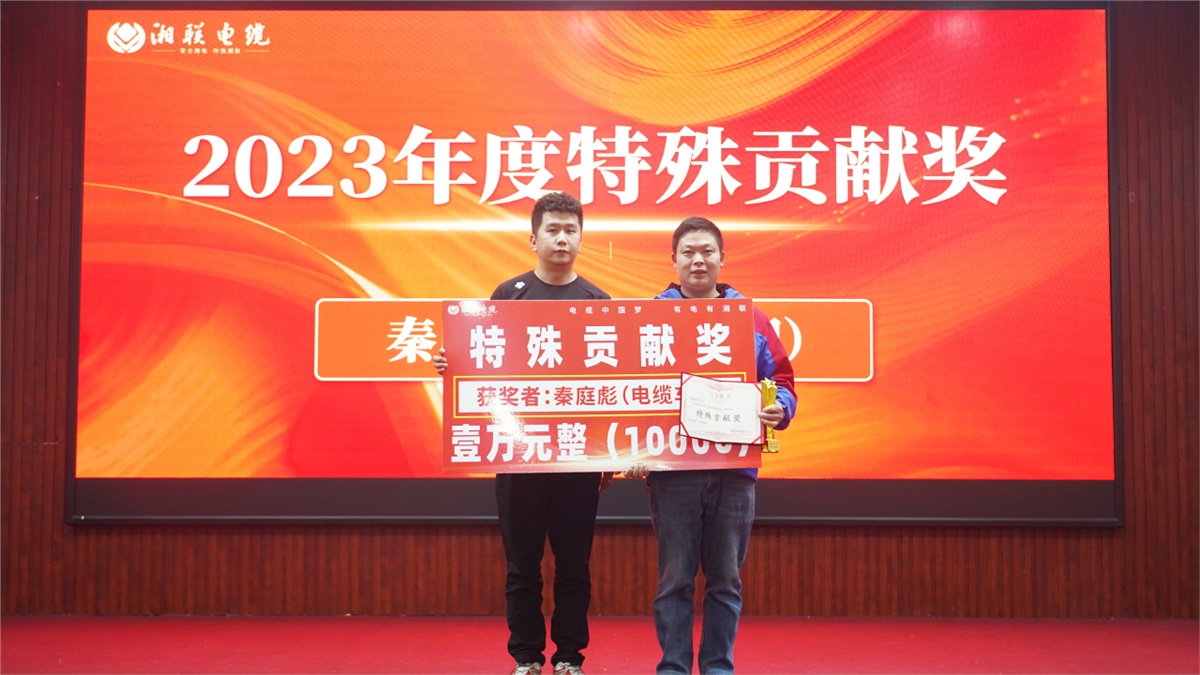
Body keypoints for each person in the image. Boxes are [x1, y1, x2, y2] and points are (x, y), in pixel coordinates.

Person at [433, 191, 612, 675]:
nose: (561, 238)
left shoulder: (598, 302)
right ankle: (527, 657)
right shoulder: (508, 295)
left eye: (570, 230)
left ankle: (569, 657)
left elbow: (610, 388)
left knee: (574, 566)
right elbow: (483, 368)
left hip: (577, 460)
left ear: (581, 239)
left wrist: (611, 457)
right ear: (534, 239)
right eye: (552, 229)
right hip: (517, 456)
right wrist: (453, 363)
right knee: (522, 566)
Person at [629, 216, 797, 675]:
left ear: (723, 258)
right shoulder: (650, 318)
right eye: (688, 252)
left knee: (726, 582)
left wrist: (779, 408)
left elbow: (782, 382)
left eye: (707, 251)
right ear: (674, 260)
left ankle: (719, 668)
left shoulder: (751, 318)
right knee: (674, 581)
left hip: (734, 472)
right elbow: (629, 388)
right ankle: (673, 668)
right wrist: (630, 447)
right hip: (674, 473)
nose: (698, 260)